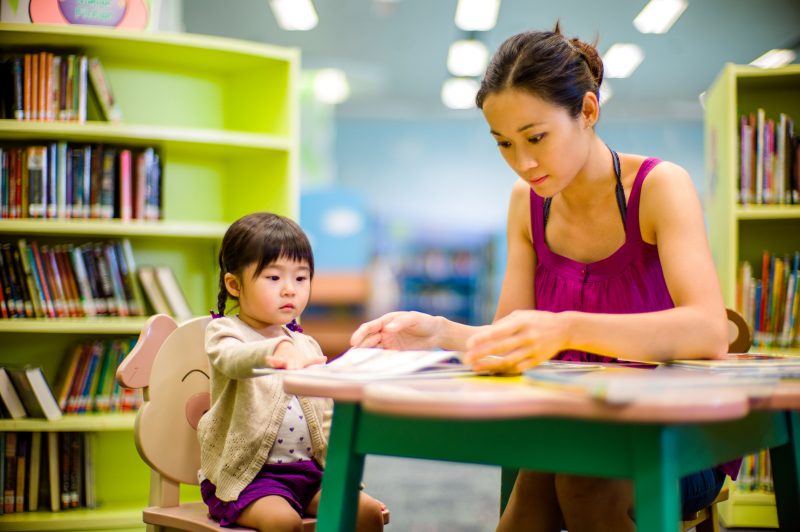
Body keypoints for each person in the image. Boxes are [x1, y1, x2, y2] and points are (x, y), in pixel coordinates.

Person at [350, 24, 732, 532]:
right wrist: (441, 334)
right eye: (504, 143)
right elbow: (513, 336)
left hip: (677, 436)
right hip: (573, 427)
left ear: (589, 112)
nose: (522, 163)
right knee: (542, 475)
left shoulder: (660, 186)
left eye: (536, 137)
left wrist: (567, 327)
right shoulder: (525, 204)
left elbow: (708, 331)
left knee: (578, 478)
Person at [198, 212, 385, 532]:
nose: (289, 290)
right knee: (283, 522)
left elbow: (324, 410)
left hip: (309, 474)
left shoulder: (304, 343)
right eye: (274, 278)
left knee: (365, 513)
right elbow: (233, 359)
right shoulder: (225, 332)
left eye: (300, 278)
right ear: (234, 285)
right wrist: (274, 351)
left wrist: (363, 361)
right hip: (250, 477)